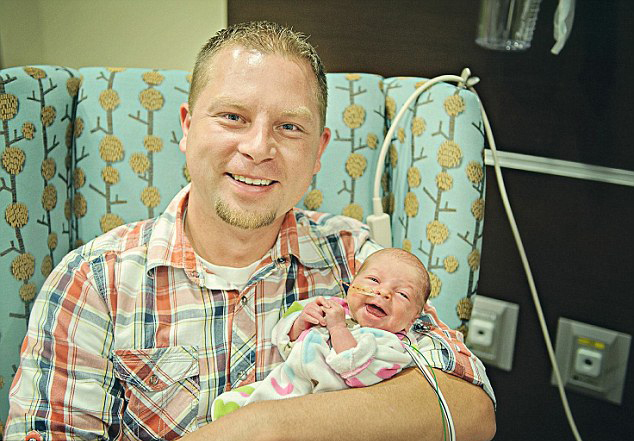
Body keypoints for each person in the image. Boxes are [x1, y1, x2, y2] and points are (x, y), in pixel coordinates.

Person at [5, 21, 496, 441]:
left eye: (289, 127)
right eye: (233, 117)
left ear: (319, 149)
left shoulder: (359, 262)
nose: (258, 148)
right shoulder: (93, 282)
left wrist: (265, 425)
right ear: (188, 125)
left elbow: (472, 412)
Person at [211, 248, 432, 420]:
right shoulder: (334, 306)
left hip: (323, 409)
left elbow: (356, 370)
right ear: (352, 284)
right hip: (289, 383)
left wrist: (337, 328)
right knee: (240, 405)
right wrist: (301, 322)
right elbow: (284, 342)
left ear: (412, 319)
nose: (383, 293)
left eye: (402, 294)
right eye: (374, 280)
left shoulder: (393, 346)